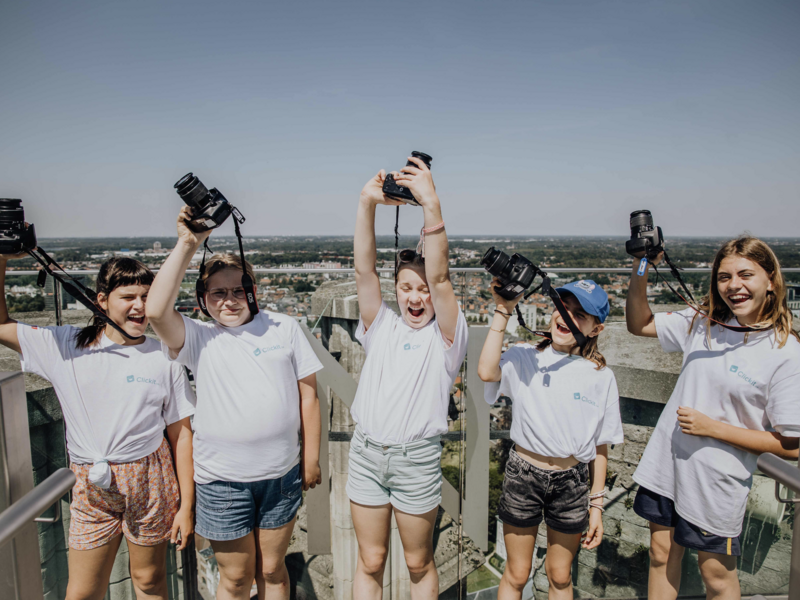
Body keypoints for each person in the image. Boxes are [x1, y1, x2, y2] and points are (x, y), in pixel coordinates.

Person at [145, 208, 323, 600]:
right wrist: (188, 243)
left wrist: (310, 457)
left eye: (238, 290)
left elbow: (308, 394)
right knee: (237, 579)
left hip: (281, 474)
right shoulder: (198, 337)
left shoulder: (284, 327)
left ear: (253, 291)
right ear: (203, 300)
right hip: (222, 481)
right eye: (218, 292)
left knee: (274, 570)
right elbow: (156, 310)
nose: (229, 300)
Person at [0, 255, 195, 600]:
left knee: (149, 580)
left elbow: (181, 434)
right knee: (82, 591)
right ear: (102, 300)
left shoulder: (164, 355)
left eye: (147, 297)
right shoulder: (65, 345)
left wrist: (186, 507)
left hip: (150, 477)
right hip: (90, 479)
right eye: (128, 297)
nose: (139, 306)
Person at [626, 236, 800, 600]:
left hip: (715, 482)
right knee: (660, 555)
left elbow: (792, 446)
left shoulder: (785, 352)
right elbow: (639, 324)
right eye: (724, 277)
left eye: (745, 275)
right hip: (666, 466)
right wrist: (641, 263)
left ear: (771, 279)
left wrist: (713, 429)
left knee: (716, 577)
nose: (733, 286)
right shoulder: (704, 321)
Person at [349, 157, 468, 599]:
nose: (416, 297)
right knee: (371, 559)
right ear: (396, 290)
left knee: (418, 561)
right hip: (366, 453)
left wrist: (431, 204)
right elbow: (364, 270)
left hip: (415, 459)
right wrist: (366, 204)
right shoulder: (381, 326)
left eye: (422, 290)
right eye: (405, 288)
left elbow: (439, 276)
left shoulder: (447, 337)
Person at [479, 278, 622, 600]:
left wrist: (596, 505)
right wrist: (503, 309)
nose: (566, 317)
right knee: (516, 572)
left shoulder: (601, 376)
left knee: (560, 575)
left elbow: (601, 445)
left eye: (579, 315)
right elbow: (487, 372)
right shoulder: (525, 355)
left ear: (596, 329)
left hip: (571, 482)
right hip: (523, 474)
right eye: (563, 307)